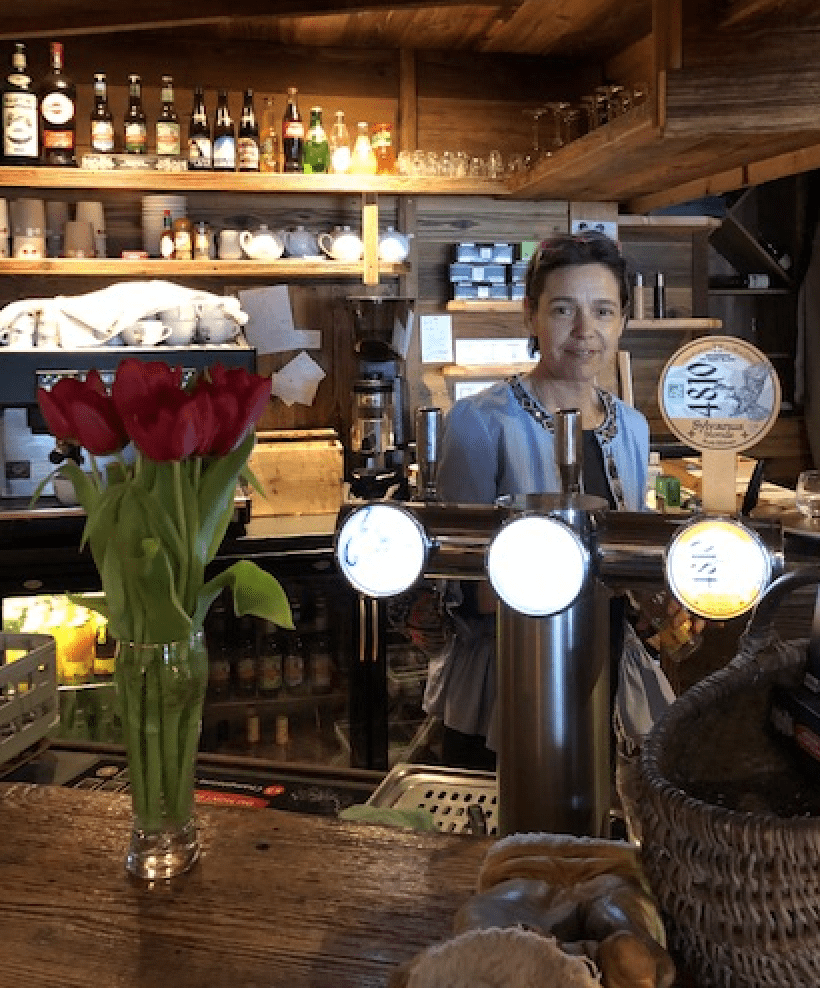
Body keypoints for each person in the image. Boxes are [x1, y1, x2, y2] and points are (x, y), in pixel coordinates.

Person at [423, 230, 658, 773]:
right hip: (507, 687)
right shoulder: (480, 423)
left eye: (603, 310)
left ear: (622, 319)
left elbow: (633, 557)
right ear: (530, 315)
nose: (585, 331)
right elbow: (470, 589)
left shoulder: (634, 427)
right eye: (562, 310)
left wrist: (655, 592)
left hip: (611, 677)